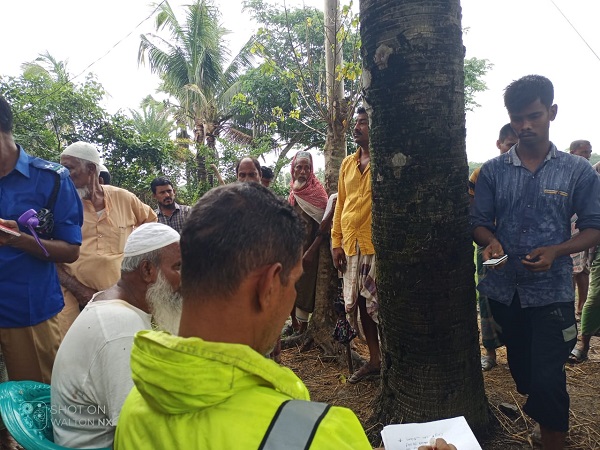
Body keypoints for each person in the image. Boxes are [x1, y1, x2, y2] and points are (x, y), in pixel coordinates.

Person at [114, 182, 372, 449]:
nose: (293, 295)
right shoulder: (321, 435)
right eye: (294, 282)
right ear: (269, 285)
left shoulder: (135, 407)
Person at [471, 75, 600, 450]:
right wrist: (491, 241)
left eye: (534, 116)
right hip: (505, 292)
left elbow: (594, 226)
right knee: (525, 374)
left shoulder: (577, 171)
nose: (525, 125)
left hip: (552, 293)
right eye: (517, 118)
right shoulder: (493, 171)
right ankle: (544, 419)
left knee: (548, 377)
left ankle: (552, 438)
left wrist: (557, 251)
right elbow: (478, 222)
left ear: (552, 112)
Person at [51, 222, 182, 449]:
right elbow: (140, 431)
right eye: (178, 267)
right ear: (147, 271)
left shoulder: (117, 303)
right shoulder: (120, 329)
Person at [0, 96, 83, 383]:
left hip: (28, 312)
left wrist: (17, 239)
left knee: (37, 399)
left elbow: (71, 250)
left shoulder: (51, 179)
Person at [58, 142, 157, 336]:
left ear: (91, 169)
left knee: (124, 342)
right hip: (72, 297)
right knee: (74, 344)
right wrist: (79, 290)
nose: (63, 174)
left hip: (122, 295)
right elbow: (50, 256)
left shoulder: (124, 198)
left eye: (68, 168)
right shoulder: (60, 204)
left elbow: (152, 225)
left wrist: (140, 265)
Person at [331, 106, 380, 384]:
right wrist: (335, 242)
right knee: (360, 302)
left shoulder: (383, 160)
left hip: (375, 244)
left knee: (378, 303)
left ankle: (391, 360)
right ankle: (374, 360)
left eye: (363, 122)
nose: (357, 127)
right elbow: (341, 204)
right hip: (351, 243)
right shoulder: (348, 164)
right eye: (356, 123)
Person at [468, 123, 518, 371]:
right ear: (499, 144)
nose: (514, 150)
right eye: (510, 145)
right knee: (488, 298)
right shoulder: (482, 173)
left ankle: (516, 351)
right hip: (490, 246)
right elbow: (472, 210)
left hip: (519, 248)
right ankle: (490, 352)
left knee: (517, 299)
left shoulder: (529, 173)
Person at [286, 151, 329, 334]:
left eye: (307, 168)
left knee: (305, 287)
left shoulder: (318, 193)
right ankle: (294, 324)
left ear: (311, 170)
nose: (303, 171)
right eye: (299, 167)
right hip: (292, 250)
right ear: (293, 170)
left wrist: (312, 250)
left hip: (309, 251)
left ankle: (303, 328)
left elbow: (325, 225)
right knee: (289, 285)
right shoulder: (293, 191)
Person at [568, 140, 593, 319]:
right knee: (569, 268)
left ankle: (581, 308)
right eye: (583, 152)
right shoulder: (564, 171)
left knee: (583, 269)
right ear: (573, 152)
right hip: (568, 225)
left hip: (585, 226)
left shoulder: (590, 172)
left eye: (589, 152)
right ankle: (568, 307)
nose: (587, 155)